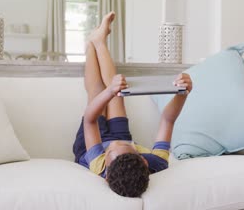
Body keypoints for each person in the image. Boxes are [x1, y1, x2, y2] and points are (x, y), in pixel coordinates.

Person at [72, 12, 193, 198]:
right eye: (127, 147)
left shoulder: (99, 164)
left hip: (90, 143)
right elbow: (168, 120)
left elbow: (90, 119)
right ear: (144, 161)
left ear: (107, 173)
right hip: (123, 136)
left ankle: (91, 46)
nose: (113, 145)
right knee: (119, 94)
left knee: (97, 92)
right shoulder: (158, 162)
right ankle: (99, 41)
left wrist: (109, 91)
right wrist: (183, 93)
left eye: (110, 151)